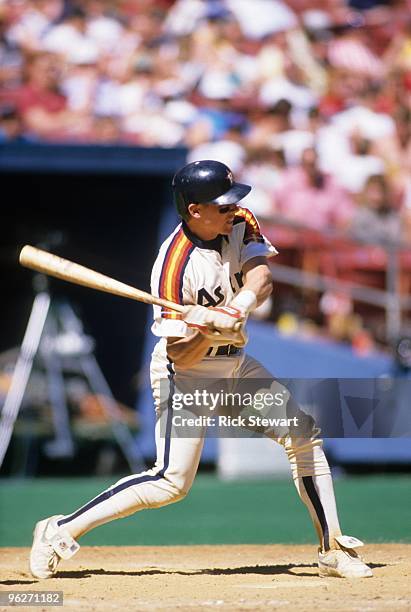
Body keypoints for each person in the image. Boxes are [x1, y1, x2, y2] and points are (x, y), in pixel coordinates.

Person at [29, 159, 372, 580]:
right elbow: (181, 355)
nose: (233, 209)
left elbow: (261, 278)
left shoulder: (239, 219)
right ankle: (58, 530)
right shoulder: (173, 268)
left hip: (236, 366)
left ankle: (332, 548)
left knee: (303, 435)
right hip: (187, 377)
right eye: (222, 205)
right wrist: (206, 331)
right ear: (195, 210)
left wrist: (236, 307)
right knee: (171, 482)